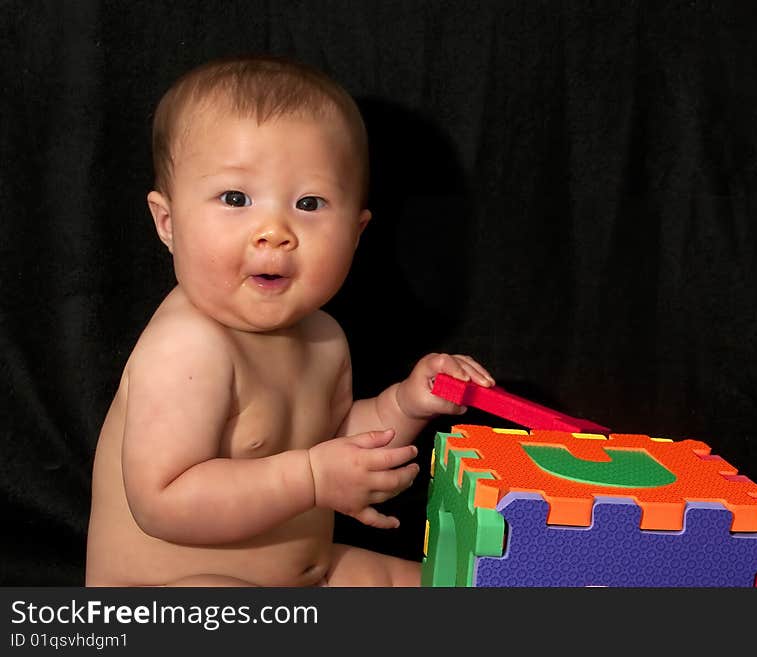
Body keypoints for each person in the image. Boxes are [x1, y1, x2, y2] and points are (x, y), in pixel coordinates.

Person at [84, 55, 494, 587]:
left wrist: (406, 403)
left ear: (356, 230)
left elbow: (337, 442)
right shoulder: (187, 347)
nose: (274, 231)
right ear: (168, 222)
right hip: (166, 599)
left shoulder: (324, 337)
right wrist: (312, 479)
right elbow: (162, 502)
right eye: (236, 198)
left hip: (303, 577)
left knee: (435, 585)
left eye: (309, 202)